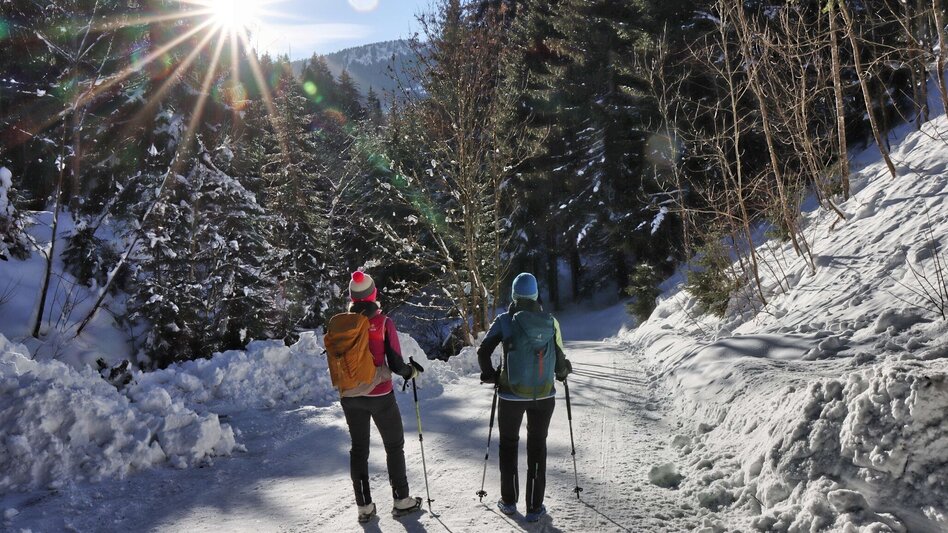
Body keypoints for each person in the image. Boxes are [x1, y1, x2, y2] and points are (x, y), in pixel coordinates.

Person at [476, 272, 572, 522]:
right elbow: (560, 359)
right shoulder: (551, 321)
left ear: (514, 295)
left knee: (509, 445)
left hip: (511, 396)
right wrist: (562, 373)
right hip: (544, 396)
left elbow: (483, 350)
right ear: (535, 295)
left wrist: (490, 375)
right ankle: (534, 506)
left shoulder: (504, 320)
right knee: (537, 446)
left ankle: (508, 502)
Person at [339, 270, 424, 523]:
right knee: (393, 445)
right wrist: (412, 372)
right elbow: (397, 364)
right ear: (373, 294)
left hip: (350, 395)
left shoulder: (341, 323)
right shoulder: (383, 322)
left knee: (359, 449)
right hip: (379, 395)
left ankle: (364, 506)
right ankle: (401, 500)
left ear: (353, 297)